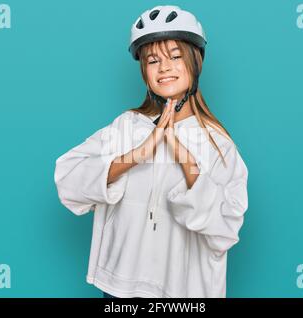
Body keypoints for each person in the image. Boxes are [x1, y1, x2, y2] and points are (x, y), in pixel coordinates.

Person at [54, 5, 249, 298]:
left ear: (195, 63)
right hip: (120, 290)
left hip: (184, 293)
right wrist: (138, 153)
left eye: (175, 56)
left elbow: (225, 229)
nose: (164, 67)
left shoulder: (218, 145)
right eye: (153, 60)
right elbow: (69, 179)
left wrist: (185, 158)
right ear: (144, 71)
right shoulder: (125, 127)